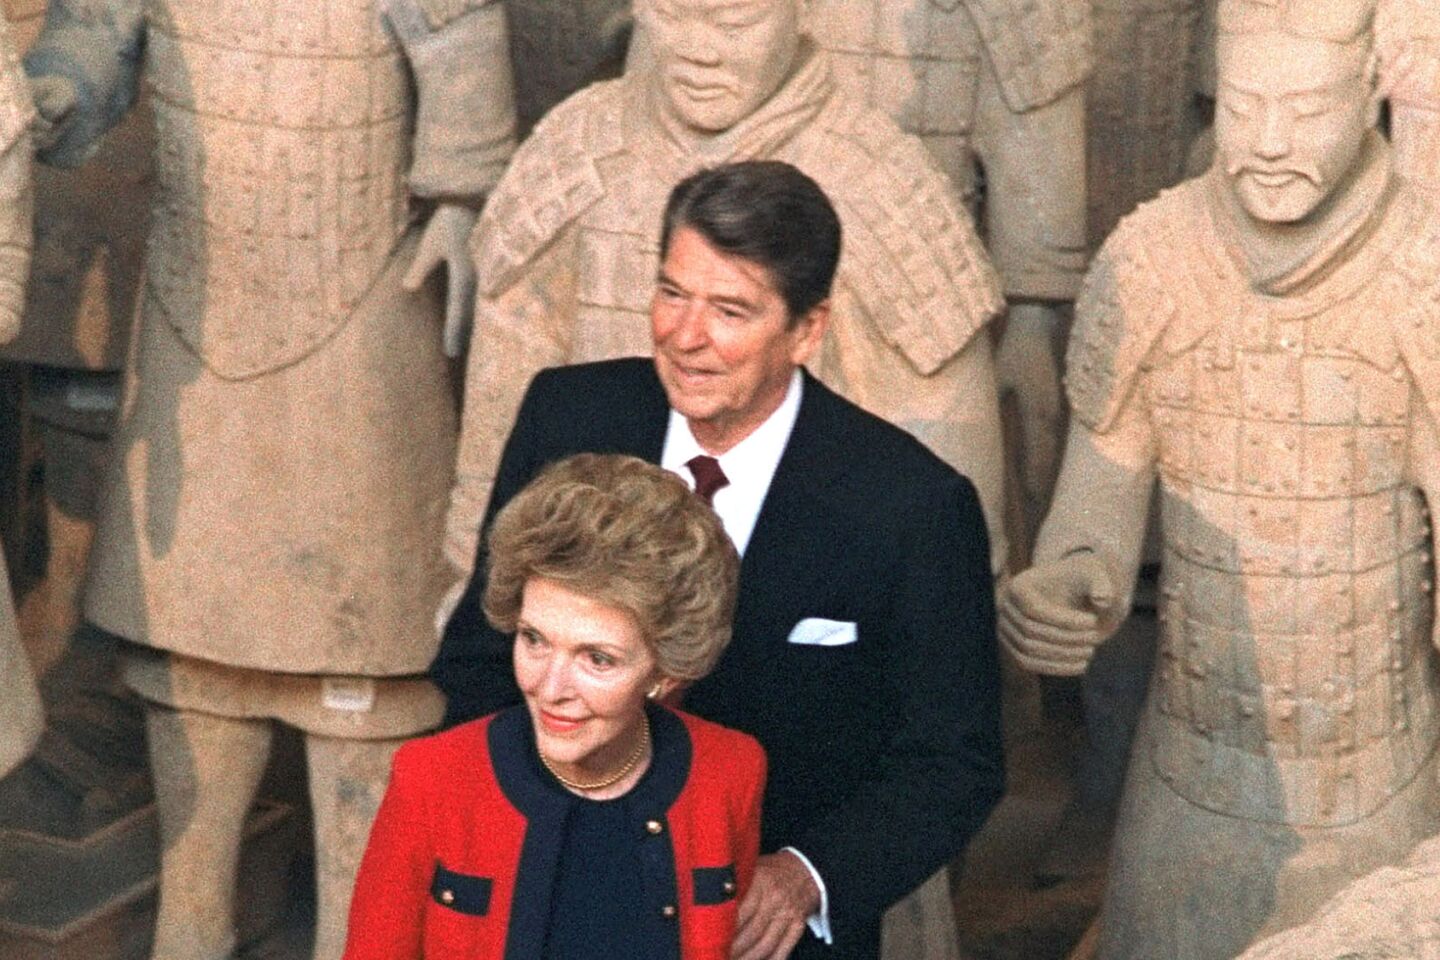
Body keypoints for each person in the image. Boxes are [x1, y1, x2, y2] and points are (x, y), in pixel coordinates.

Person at [21, 1, 517, 957]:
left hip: (371, 291)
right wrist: (59, 88)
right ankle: (192, 921)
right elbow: (92, 24)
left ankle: (356, 935)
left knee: (365, 652)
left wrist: (460, 199)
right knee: (194, 650)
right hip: (196, 295)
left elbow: (460, 38)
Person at [435, 161, 1004, 960]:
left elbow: (954, 763)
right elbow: (477, 658)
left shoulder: (911, 506)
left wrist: (808, 876)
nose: (685, 335)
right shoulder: (566, 416)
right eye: (672, 293)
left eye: (730, 310)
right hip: (547, 894)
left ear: (809, 329)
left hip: (763, 932)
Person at [1000, 1, 1440, 957]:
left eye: (1308, 110)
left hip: (1375, 786)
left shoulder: (1425, 273)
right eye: (1245, 108)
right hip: (1189, 776)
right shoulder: (1151, 261)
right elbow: (1100, 493)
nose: (1271, 145)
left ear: (1370, 94)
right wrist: (1072, 581)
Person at [445, 0, 1009, 587]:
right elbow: (496, 436)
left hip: (804, 613)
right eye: (670, 15)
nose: (699, 50)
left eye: (734, 23)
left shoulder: (885, 185)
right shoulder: (572, 148)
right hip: (586, 625)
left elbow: (949, 533)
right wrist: (479, 587)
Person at [345, 453, 763, 959]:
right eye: (535, 639)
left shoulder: (730, 771)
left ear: (666, 669)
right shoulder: (431, 780)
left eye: (597, 659)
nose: (550, 686)